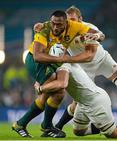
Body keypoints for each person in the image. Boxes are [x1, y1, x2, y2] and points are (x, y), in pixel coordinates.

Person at [34, 6, 117, 130]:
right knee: (78, 102)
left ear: (81, 19)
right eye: (69, 20)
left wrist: (97, 36)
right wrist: (40, 26)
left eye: (74, 20)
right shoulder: (63, 31)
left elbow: (99, 38)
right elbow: (50, 31)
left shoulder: (86, 27)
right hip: (83, 68)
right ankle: (58, 126)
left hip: (102, 60)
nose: (71, 23)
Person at [34, 47, 117, 139]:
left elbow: (61, 84)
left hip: (95, 101)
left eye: (51, 58)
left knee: (113, 134)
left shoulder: (64, 66)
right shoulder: (68, 63)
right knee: (78, 131)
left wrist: (41, 88)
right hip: (84, 102)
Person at [12, 10, 103, 138]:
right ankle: (45, 125)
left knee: (58, 91)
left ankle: (22, 124)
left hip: (54, 59)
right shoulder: (44, 29)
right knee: (59, 91)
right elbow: (38, 56)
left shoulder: (74, 26)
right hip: (36, 61)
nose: (55, 27)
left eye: (59, 24)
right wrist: (61, 59)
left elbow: (97, 33)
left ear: (66, 23)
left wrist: (98, 36)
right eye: (53, 23)